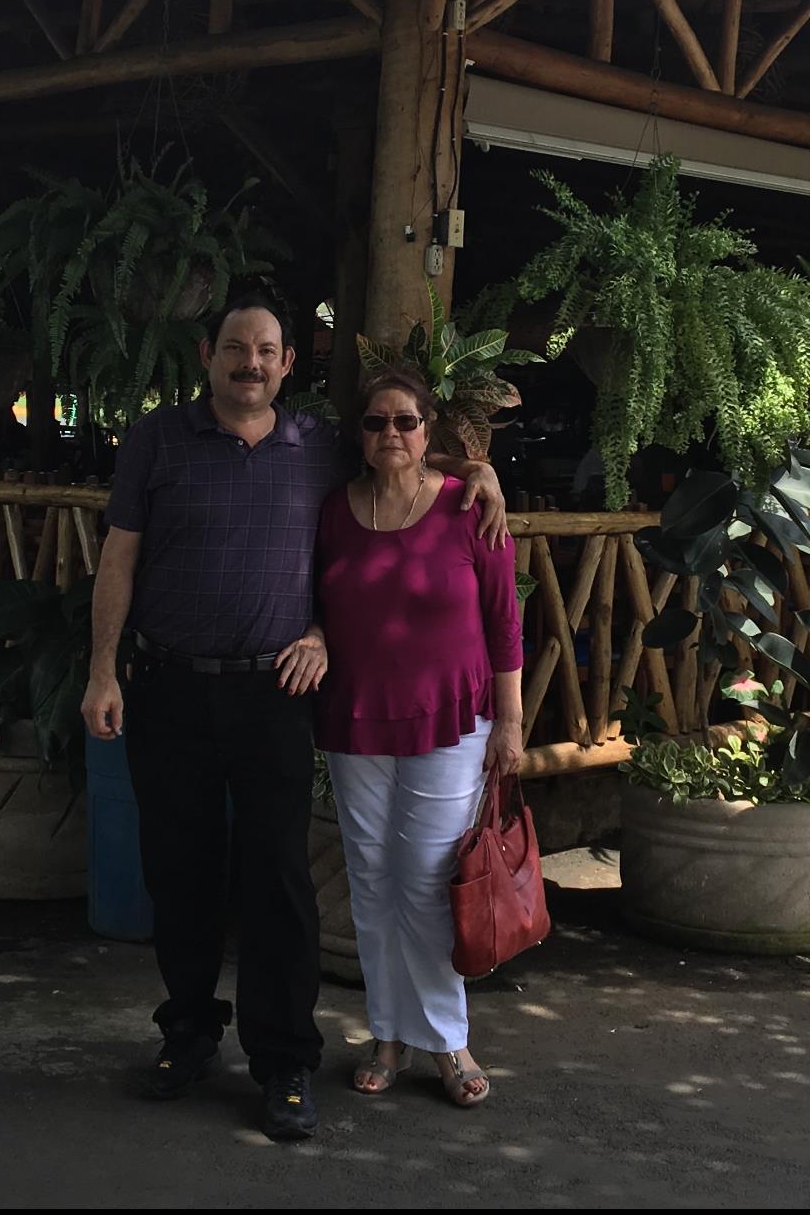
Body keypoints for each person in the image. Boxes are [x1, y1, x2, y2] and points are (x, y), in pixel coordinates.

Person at [80, 292, 507, 1142]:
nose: (251, 362)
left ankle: (284, 1061)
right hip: (167, 684)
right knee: (180, 871)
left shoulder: (314, 445)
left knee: (279, 881)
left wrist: (479, 471)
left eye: (268, 350)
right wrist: (102, 671)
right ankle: (189, 1035)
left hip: (274, 694)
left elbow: (406, 457)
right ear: (209, 355)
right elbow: (118, 559)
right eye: (236, 347)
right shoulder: (158, 440)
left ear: (286, 364)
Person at [314, 369, 523, 1107]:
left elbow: (504, 621)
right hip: (356, 714)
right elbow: (310, 596)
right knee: (370, 879)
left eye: (406, 422)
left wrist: (512, 722)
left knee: (430, 881)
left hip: (451, 717)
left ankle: (448, 1039)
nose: (391, 435)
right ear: (360, 436)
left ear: (428, 432)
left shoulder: (469, 507)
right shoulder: (334, 511)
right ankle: (387, 1032)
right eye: (376, 423)